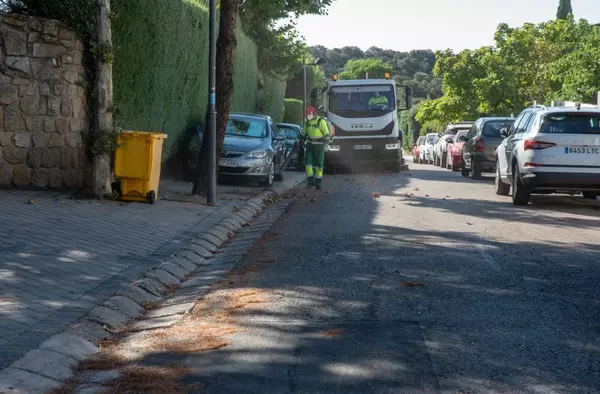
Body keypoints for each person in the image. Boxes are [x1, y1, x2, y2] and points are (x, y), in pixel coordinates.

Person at [299, 106, 330, 190]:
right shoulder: (307, 123)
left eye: (310, 114)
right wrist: (299, 139)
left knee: (319, 165)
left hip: (319, 146)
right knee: (308, 164)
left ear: (314, 113)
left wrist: (325, 140)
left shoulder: (321, 121)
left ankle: (318, 183)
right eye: (307, 114)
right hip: (310, 146)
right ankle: (310, 182)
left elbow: (327, 134)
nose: (308, 115)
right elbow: (303, 133)